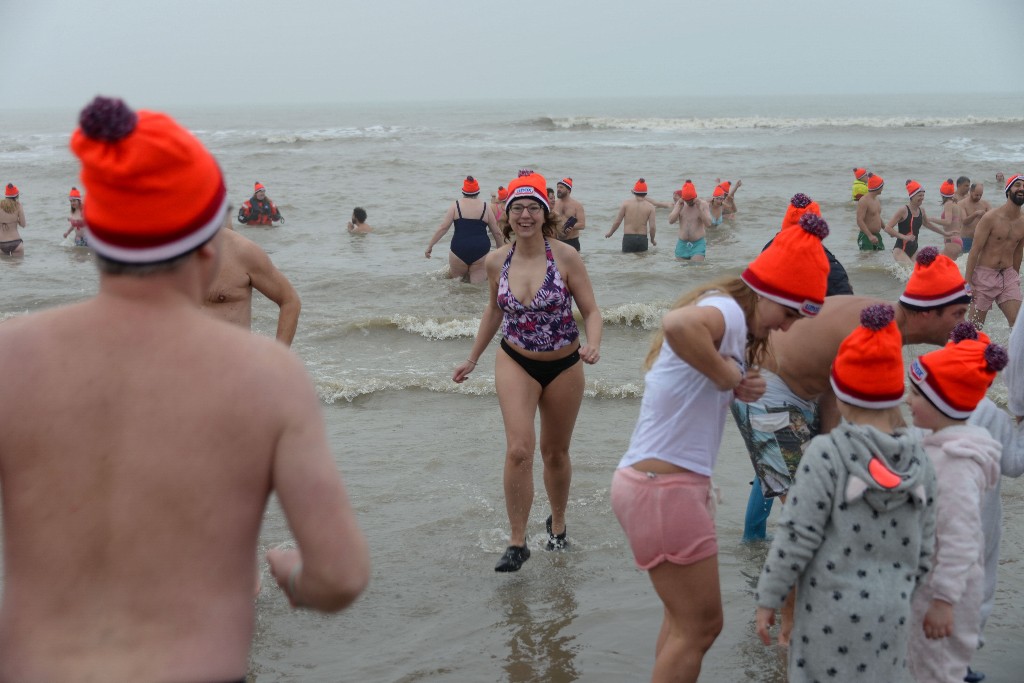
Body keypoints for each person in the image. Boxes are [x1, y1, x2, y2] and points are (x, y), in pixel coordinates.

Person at [0, 96, 369, 682]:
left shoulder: (12, 356)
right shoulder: (264, 377)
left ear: (90, 232)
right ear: (206, 244)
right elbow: (340, 576)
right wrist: (291, 571)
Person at [611, 214, 830, 683]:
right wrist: (728, 377)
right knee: (702, 627)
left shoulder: (732, 324)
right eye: (790, 313)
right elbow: (676, 324)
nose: (789, 328)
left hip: (653, 485)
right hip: (663, 488)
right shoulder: (728, 312)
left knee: (681, 622)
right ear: (770, 293)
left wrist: (733, 381)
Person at [735, 247, 970, 542]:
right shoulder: (878, 330)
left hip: (793, 386)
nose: (964, 323)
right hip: (767, 390)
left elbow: (843, 392)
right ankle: (773, 570)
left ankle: (755, 543)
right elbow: (868, 414)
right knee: (812, 517)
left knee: (809, 487)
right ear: (926, 312)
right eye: (958, 313)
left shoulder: (883, 321)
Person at [755, 303, 938, 682]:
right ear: (896, 396)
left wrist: (769, 596)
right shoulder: (920, 459)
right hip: (893, 616)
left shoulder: (827, 453)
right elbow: (927, 547)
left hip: (827, 620)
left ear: (838, 395)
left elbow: (796, 535)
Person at [452, 170, 601, 573]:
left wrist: (593, 343)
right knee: (519, 450)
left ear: (544, 212)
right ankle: (517, 542)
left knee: (555, 453)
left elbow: (590, 310)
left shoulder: (566, 256)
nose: (524, 214)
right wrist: (472, 358)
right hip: (514, 359)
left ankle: (558, 523)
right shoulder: (497, 259)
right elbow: (493, 310)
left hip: (565, 365)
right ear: (507, 215)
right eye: (517, 207)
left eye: (532, 207)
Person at [905, 322, 1004, 683]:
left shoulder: (957, 462)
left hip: (946, 594)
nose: (907, 400)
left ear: (939, 403)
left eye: (915, 394)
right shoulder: (939, 445)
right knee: (927, 666)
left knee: (939, 672)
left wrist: (944, 601)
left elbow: (962, 540)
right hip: (933, 587)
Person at [204, 220, 302, 346]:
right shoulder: (171, 253)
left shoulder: (241, 251)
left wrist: (278, 357)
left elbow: (290, 301)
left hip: (232, 360)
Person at [964, 173, 1024, 328]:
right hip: (984, 276)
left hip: (1008, 276)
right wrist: (968, 283)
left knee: (1018, 325)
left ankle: (1011, 353)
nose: (1022, 188)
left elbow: (1018, 251)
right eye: (1017, 185)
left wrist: (1015, 277)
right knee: (973, 329)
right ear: (1008, 190)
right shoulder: (991, 218)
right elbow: (974, 251)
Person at [425, 175, 502, 284]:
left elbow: (443, 228)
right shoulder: (485, 207)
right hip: (480, 251)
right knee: (476, 288)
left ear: (463, 192)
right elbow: (497, 232)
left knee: (457, 286)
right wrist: (500, 252)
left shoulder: (456, 206)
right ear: (477, 192)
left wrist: (430, 246)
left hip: (459, 250)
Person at [886, 179, 950, 264]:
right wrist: (904, 237)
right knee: (911, 271)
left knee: (918, 273)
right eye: (920, 195)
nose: (922, 198)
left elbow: (928, 224)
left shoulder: (922, 211)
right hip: (900, 249)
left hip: (914, 249)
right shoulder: (903, 210)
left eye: (923, 195)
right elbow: (887, 228)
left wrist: (945, 233)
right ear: (912, 196)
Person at [855, 174, 907, 251]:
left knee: (878, 259)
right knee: (866, 260)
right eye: (882, 186)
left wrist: (887, 230)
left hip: (877, 236)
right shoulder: (864, 201)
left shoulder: (876, 199)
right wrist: (869, 236)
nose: (883, 188)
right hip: (866, 236)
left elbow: (877, 217)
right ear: (877, 187)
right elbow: (859, 220)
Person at [606, 178, 657, 252]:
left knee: (627, 261)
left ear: (634, 192)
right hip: (642, 238)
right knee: (642, 261)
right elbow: (652, 227)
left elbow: (617, 222)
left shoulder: (626, 204)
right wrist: (652, 240)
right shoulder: (650, 207)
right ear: (646, 193)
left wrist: (610, 233)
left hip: (628, 237)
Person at [668, 180, 712, 261]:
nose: (688, 202)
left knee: (696, 268)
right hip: (682, 243)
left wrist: (699, 209)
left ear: (695, 196)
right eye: (687, 200)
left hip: (697, 243)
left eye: (691, 200)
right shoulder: (680, 204)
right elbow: (671, 221)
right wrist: (678, 208)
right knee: (681, 270)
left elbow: (709, 224)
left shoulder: (703, 204)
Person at [937, 178, 967, 260]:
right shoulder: (957, 205)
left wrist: (930, 219)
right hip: (958, 241)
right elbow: (962, 222)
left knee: (935, 265)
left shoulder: (948, 204)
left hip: (951, 241)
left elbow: (947, 222)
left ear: (942, 194)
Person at [960, 181, 993, 255]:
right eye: (976, 195)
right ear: (971, 191)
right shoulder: (962, 204)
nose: (978, 197)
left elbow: (993, 218)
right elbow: (964, 221)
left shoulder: (985, 204)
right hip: (966, 239)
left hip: (981, 238)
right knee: (965, 261)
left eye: (980, 195)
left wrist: (986, 215)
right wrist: (975, 214)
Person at [554, 177, 586, 251]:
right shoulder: (554, 204)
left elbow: (582, 225)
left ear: (568, 190)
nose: (558, 189)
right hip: (557, 241)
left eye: (561, 187)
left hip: (572, 241)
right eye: (557, 187)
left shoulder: (577, 205)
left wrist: (570, 226)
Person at [0, 182, 26, 256]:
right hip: (16, 243)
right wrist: (15, 220)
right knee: (18, 267)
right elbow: (23, 224)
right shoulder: (18, 206)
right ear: (16, 196)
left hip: (1, 243)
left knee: (4, 267)